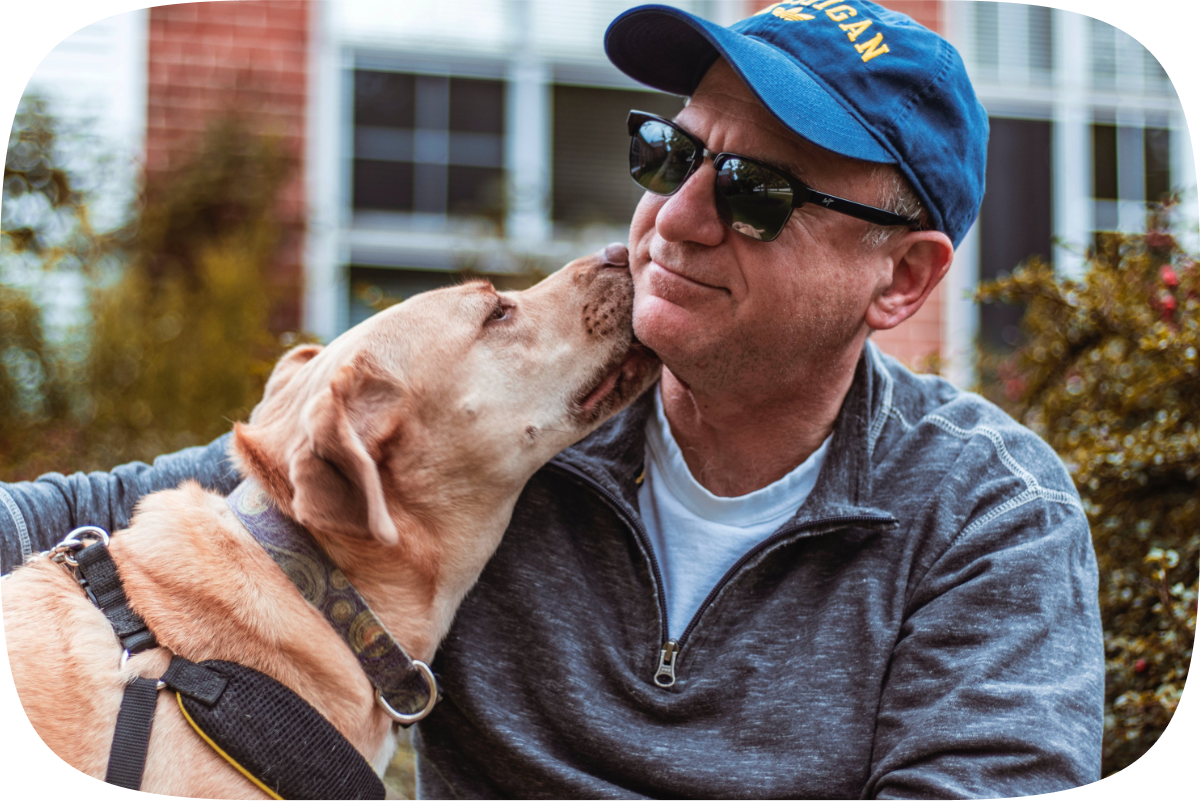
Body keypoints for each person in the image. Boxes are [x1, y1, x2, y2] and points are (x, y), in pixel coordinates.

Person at [2, 3, 1103, 798]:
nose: (674, 219)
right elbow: (106, 519)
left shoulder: (986, 517)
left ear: (901, 279)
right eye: (672, 153)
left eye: (758, 193)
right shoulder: (496, 428)